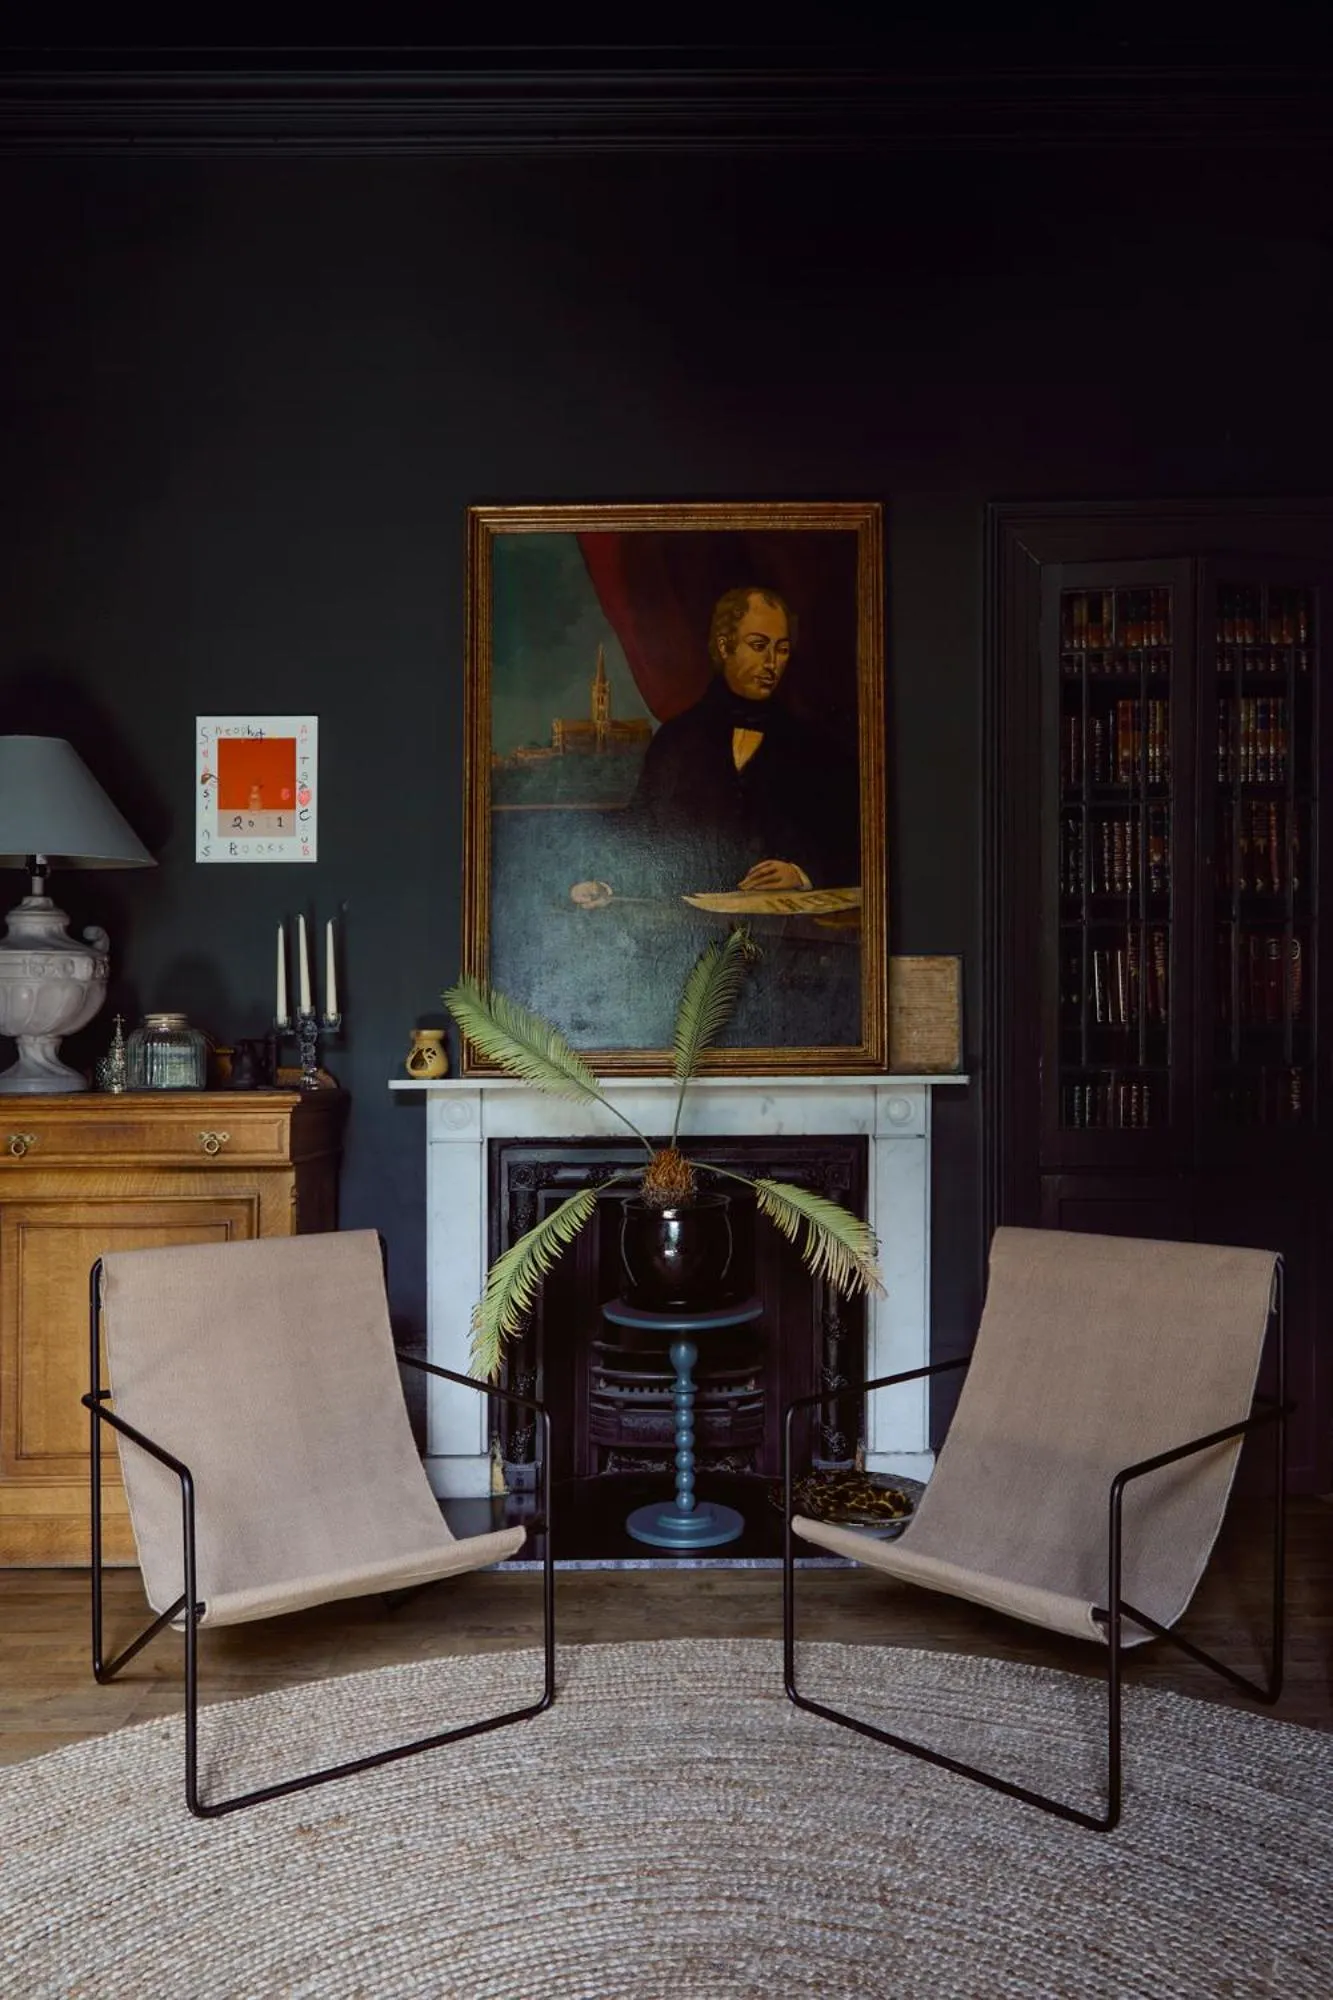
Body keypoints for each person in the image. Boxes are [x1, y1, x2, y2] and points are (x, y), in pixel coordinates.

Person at [570, 586, 858, 908]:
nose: (772, 663)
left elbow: (851, 841)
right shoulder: (676, 740)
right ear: (725, 647)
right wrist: (605, 882)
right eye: (759, 646)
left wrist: (801, 872)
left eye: (782, 649)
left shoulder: (813, 745)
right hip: (691, 924)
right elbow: (643, 829)